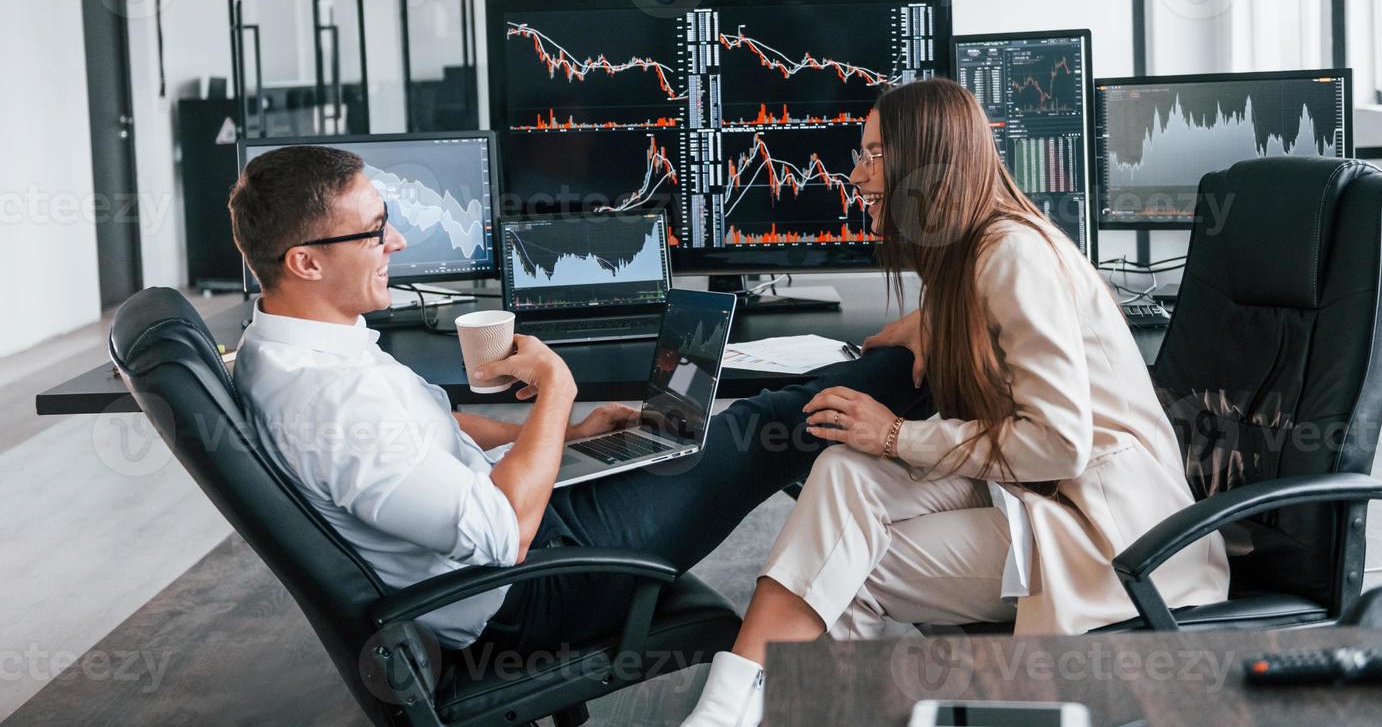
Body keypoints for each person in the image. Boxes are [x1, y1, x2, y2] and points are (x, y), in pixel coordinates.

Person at [226, 145, 933, 659]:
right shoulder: (329, 399)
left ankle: (908, 397)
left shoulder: (287, 348)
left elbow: (428, 431)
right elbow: (501, 534)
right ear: (306, 262)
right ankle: (927, 363)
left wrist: (568, 438)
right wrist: (556, 395)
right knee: (763, 425)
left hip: (526, 526)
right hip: (531, 587)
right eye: (375, 230)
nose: (398, 241)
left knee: (700, 431)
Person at [679, 79, 1231, 727]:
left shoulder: (1013, 255)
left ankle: (770, 711)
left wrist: (895, 437)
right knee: (843, 476)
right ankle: (734, 706)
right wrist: (928, 329)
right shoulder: (973, 255)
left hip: (1108, 531)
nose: (856, 176)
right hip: (1041, 495)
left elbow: (1059, 442)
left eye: (874, 154)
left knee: (852, 562)